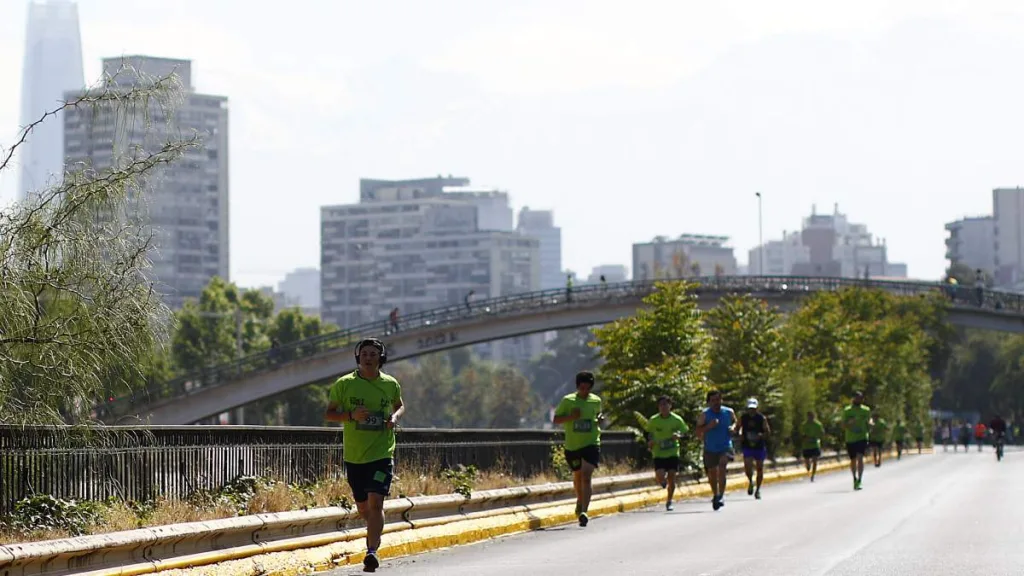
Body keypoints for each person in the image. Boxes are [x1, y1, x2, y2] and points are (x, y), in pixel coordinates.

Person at [324, 338, 405, 573]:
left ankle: (371, 552)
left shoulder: (390, 384)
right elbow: (329, 414)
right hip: (355, 456)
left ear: (381, 358)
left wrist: (395, 418)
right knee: (363, 508)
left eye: (373, 354)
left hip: (382, 452)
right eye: (365, 354)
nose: (369, 357)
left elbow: (399, 405)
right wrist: (351, 415)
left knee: (376, 502)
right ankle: (371, 536)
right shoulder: (344, 384)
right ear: (358, 357)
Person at [553, 371, 603, 527]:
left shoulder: (596, 401)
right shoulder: (568, 401)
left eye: (588, 388)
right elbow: (556, 420)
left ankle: (584, 511)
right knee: (578, 477)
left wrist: (600, 419)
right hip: (573, 445)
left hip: (591, 443)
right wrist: (572, 418)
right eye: (582, 388)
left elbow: (598, 416)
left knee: (586, 476)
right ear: (577, 386)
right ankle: (580, 499)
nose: (585, 391)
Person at [646, 395, 689, 511]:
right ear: (658, 407)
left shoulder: (677, 419)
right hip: (658, 452)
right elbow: (647, 432)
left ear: (670, 406)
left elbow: (685, 432)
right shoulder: (654, 420)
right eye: (661, 405)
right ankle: (662, 482)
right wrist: (649, 442)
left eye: (666, 404)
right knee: (660, 475)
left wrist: (679, 435)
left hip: (673, 452)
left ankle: (669, 501)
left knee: (672, 477)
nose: (663, 407)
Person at [695, 390, 736, 510]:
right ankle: (716, 494)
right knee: (712, 473)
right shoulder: (705, 415)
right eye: (713, 401)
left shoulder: (728, 412)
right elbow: (697, 432)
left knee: (722, 466)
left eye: (718, 400)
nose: (716, 403)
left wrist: (733, 428)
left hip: (725, 446)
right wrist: (708, 426)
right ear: (708, 402)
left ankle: (721, 496)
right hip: (710, 448)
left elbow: (736, 423)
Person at [737, 397, 771, 500]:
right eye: (750, 408)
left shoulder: (761, 418)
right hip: (747, 445)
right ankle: (751, 482)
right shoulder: (743, 418)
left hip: (759, 446)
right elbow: (738, 428)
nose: (752, 410)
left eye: (753, 408)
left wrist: (760, 435)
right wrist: (740, 435)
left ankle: (758, 490)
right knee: (748, 467)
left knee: (759, 468)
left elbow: (767, 431)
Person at [842, 391, 872, 491]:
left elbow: (869, 421)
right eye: (857, 398)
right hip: (850, 438)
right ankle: (854, 478)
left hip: (862, 437)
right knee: (853, 460)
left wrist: (871, 424)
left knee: (860, 457)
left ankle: (859, 479)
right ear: (853, 398)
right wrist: (850, 422)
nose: (859, 400)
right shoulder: (847, 410)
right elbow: (843, 425)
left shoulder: (866, 410)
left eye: (861, 398)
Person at [800, 411, 825, 481]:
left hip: (815, 445)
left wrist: (818, 437)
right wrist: (806, 438)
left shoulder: (818, 424)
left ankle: (813, 475)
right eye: (809, 416)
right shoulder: (804, 425)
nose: (810, 417)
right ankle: (808, 468)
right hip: (806, 446)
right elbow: (802, 435)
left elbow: (822, 433)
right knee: (807, 463)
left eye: (811, 416)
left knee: (815, 461)